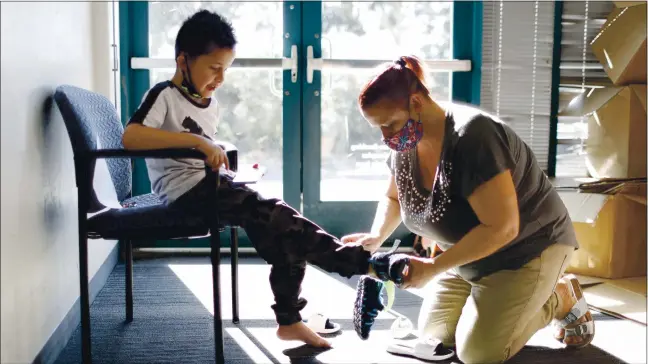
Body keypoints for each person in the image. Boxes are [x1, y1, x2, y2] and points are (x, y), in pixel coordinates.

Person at [120, 9, 407, 348]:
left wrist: (224, 163)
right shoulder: (163, 95)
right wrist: (197, 142)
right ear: (183, 60)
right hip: (184, 193)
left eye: (225, 70)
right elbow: (131, 137)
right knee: (280, 216)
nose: (220, 79)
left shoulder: (209, 102)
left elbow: (205, 150)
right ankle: (365, 265)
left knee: (286, 234)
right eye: (214, 68)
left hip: (210, 186)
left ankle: (290, 320)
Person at [341, 55, 595, 363]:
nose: (386, 137)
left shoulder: (474, 136)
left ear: (417, 102)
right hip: (468, 254)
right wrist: (376, 235)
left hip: (527, 249)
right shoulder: (407, 143)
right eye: (378, 128)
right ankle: (496, 301)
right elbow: (394, 198)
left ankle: (560, 297)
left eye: (390, 124)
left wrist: (433, 268)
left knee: (479, 354)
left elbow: (503, 227)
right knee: (434, 339)